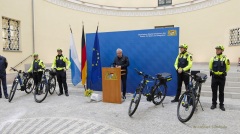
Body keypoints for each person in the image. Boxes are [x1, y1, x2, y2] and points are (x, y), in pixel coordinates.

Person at [209, 45, 230, 111]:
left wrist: (225, 72)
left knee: (221, 92)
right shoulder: (213, 58)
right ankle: (214, 104)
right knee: (214, 91)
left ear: (222, 50)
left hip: (221, 77)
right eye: (216, 49)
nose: (217, 51)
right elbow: (210, 66)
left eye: (218, 49)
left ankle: (221, 104)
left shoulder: (225, 58)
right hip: (214, 77)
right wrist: (212, 71)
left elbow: (228, 67)